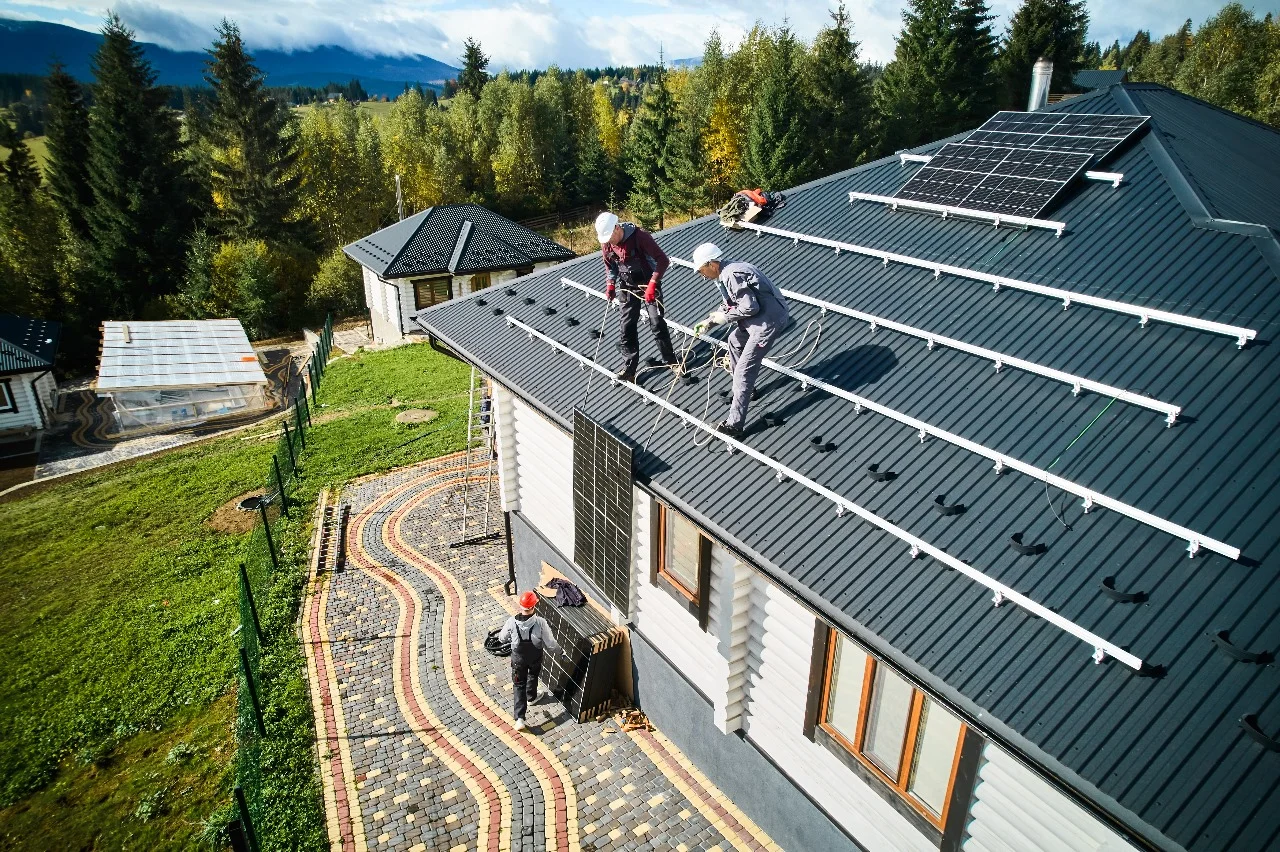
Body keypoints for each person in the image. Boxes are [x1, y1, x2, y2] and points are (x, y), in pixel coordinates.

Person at [691, 242, 791, 439]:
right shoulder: (727, 272)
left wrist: (724, 318)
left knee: (743, 372)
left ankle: (734, 425)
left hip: (766, 324)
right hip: (756, 320)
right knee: (734, 341)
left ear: (712, 264)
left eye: (702, 271)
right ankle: (747, 390)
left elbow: (749, 308)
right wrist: (710, 321)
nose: (702, 276)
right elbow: (730, 303)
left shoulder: (731, 274)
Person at [595, 211, 679, 382]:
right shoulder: (607, 244)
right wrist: (610, 284)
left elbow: (663, 260)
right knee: (626, 326)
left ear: (617, 228)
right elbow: (610, 266)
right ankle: (629, 369)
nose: (609, 241)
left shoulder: (640, 237)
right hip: (627, 286)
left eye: (611, 237)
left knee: (656, 322)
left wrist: (653, 283)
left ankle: (671, 360)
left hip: (649, 283)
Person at [496, 590, 565, 730]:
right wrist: (561, 651)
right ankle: (532, 697)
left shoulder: (511, 622)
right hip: (535, 657)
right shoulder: (540, 623)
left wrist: (512, 637)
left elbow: (501, 638)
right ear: (534, 606)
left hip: (517, 660)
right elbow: (550, 644)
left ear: (520, 606)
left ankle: (520, 719)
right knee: (533, 675)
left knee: (518, 685)